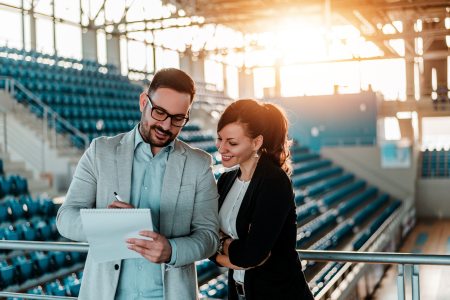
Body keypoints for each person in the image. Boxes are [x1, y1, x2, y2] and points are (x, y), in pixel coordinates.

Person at [57, 68, 220, 300]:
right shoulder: (100, 152)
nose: (166, 126)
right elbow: (65, 219)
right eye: (160, 112)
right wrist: (107, 223)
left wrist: (172, 251)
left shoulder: (199, 164)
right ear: (144, 101)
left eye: (178, 119)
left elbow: (209, 237)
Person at [211, 99, 314, 300]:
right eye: (220, 139)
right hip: (240, 293)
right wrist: (229, 250)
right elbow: (206, 237)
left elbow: (252, 254)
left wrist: (220, 242)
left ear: (256, 142)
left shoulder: (274, 181)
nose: (221, 148)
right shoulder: (225, 180)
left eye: (232, 143)